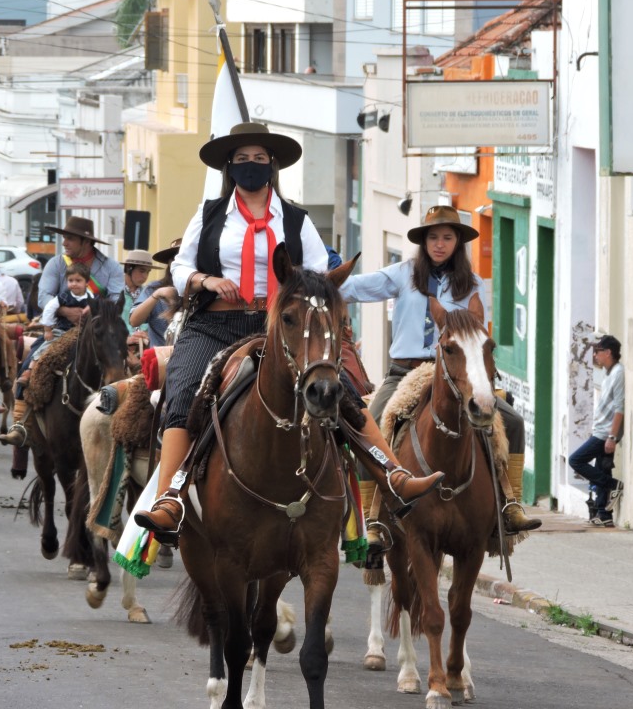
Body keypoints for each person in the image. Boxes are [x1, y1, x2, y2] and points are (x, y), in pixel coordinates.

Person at [133, 122, 443, 542]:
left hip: (281, 323)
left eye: (259, 159)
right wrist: (206, 281)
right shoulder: (208, 214)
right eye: (242, 160)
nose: (250, 166)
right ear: (229, 167)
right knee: (184, 389)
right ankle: (170, 499)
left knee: (342, 389)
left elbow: (317, 268)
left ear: (272, 165)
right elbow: (181, 266)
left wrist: (306, 292)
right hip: (214, 322)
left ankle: (393, 475)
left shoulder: (295, 219)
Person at [340, 204, 542, 533]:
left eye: (447, 237)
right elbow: (354, 288)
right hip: (405, 372)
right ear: (424, 242)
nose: (439, 244)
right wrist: (319, 283)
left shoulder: (473, 285)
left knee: (513, 423)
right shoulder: (403, 274)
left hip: (456, 376)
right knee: (370, 427)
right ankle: (374, 520)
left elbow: (479, 336)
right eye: (433, 237)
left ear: (457, 243)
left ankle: (509, 504)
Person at [0, 264, 94, 455]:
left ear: (86, 282)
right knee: (41, 352)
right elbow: (48, 308)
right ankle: (20, 421)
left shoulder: (92, 297)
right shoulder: (62, 293)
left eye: (78, 281)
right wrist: (48, 329)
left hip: (84, 334)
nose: (74, 284)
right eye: (71, 281)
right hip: (60, 332)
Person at [569, 334, 625, 528]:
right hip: (601, 430)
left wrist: (612, 436)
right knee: (601, 468)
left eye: (598, 352)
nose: (595, 356)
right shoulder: (609, 373)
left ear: (608, 352)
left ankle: (613, 484)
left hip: (604, 433)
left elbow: (620, 408)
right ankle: (604, 514)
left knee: (575, 460)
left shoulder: (618, 373)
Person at [36, 217, 123, 311]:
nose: (64, 243)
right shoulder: (55, 264)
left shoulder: (112, 267)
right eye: (64, 238)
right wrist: (64, 311)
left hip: (99, 322)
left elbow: (118, 300)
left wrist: (96, 308)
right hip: (62, 323)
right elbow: (43, 297)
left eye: (70, 239)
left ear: (86, 241)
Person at [129, 239, 181, 347]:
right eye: (176, 259)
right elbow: (134, 321)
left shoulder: (204, 289)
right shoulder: (153, 289)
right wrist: (156, 295)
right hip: (160, 357)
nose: (144, 276)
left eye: (147, 272)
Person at [121, 248, 160, 358]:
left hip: (144, 348)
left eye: (148, 272)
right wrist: (126, 339)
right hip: (116, 349)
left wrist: (146, 334)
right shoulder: (114, 293)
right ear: (129, 268)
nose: (145, 276)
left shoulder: (148, 294)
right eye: (142, 271)